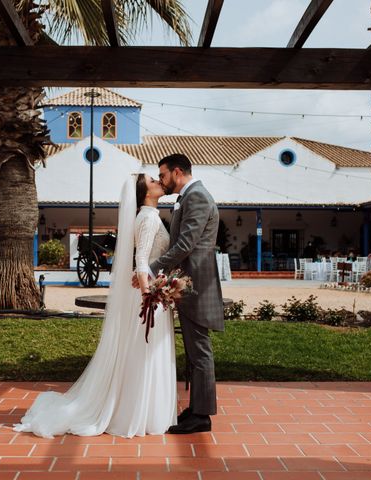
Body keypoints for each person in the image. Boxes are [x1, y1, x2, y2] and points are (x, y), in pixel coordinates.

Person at [13, 173, 176, 438]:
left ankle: (143, 409)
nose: (158, 181)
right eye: (152, 181)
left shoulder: (149, 216)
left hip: (151, 290)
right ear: (145, 192)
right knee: (145, 354)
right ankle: (141, 413)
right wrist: (149, 297)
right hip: (148, 294)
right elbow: (142, 260)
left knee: (142, 354)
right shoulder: (147, 218)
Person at [147, 153, 224, 434]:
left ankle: (202, 416)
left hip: (197, 286)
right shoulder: (187, 197)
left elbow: (186, 244)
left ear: (177, 172)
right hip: (187, 284)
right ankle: (196, 408)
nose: (162, 180)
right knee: (194, 350)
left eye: (164, 174)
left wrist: (153, 268)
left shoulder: (197, 197)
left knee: (200, 350)